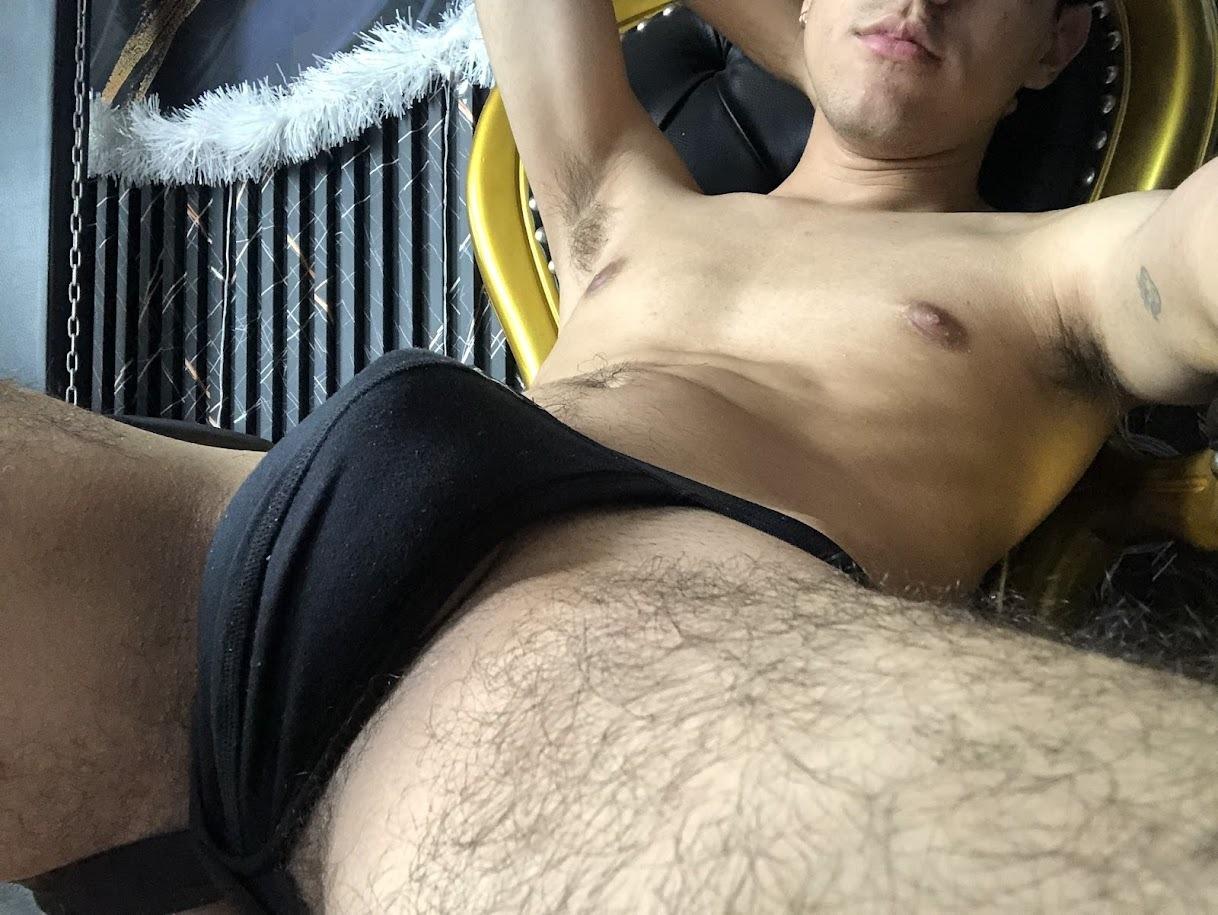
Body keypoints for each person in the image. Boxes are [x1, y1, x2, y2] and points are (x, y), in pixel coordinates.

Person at [5, 0, 1218, 911]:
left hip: (614, 654)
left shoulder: (1066, 270)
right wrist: (822, 37)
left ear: (1056, 44)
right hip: (236, 542)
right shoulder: (628, 199)